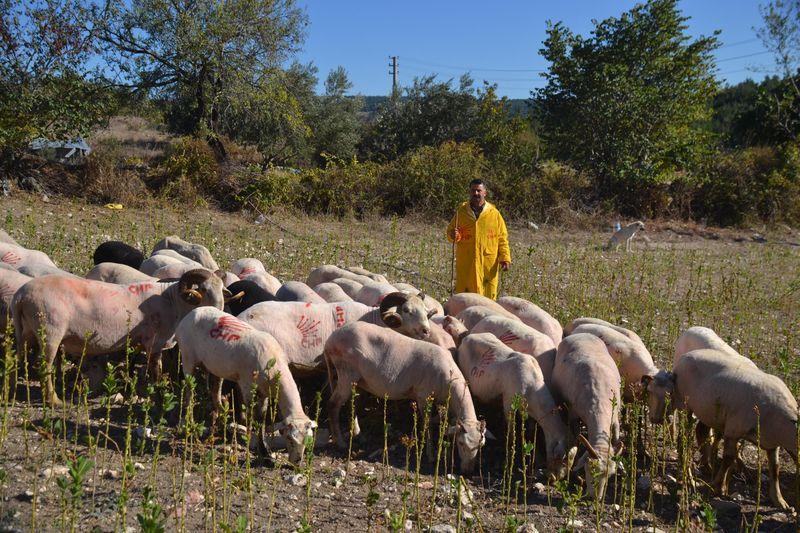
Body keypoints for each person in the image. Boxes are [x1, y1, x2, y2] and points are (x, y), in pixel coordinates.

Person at [446, 179, 511, 299]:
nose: (476, 193)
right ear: (469, 192)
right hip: (466, 261)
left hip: (488, 263)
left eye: (479, 190)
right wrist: (454, 235)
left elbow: (502, 238)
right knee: (465, 298)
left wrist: (505, 258)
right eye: (473, 190)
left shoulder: (494, 214)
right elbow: (451, 232)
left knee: (487, 298)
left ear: (484, 193)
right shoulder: (462, 212)